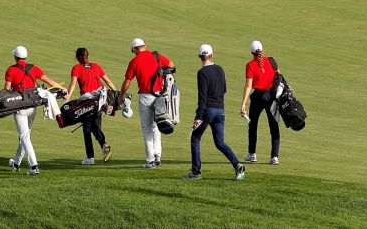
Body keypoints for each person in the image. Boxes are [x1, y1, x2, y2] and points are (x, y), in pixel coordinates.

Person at [184, 44, 245, 180]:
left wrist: (198, 116)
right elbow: (224, 89)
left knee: (195, 138)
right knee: (220, 143)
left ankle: (196, 172)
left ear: (200, 57)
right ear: (212, 55)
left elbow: (202, 96)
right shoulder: (220, 69)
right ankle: (237, 164)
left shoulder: (202, 73)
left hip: (207, 111)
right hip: (220, 110)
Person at [4, 45, 63, 176]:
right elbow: (50, 82)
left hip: (19, 107)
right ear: (25, 57)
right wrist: (62, 91)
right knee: (25, 136)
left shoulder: (11, 70)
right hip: (32, 106)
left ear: (15, 56)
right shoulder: (34, 68)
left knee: (24, 136)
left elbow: (7, 90)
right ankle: (16, 163)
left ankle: (34, 166)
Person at [119, 38, 174, 168]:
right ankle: (157, 156)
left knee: (147, 128)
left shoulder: (134, 61)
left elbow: (127, 82)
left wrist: (121, 95)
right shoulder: (156, 56)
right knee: (156, 125)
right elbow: (171, 64)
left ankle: (150, 160)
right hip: (160, 95)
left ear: (135, 49)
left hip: (145, 96)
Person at [65, 47, 116, 165]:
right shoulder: (96, 66)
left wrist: (67, 98)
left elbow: (72, 85)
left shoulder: (76, 68)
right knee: (95, 126)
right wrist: (117, 93)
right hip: (100, 102)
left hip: (86, 102)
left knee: (87, 129)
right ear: (88, 56)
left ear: (77, 58)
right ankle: (104, 145)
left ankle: (90, 157)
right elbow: (108, 81)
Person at [239, 40, 280, 165]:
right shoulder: (271, 61)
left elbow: (248, 85)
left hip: (257, 97)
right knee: (274, 126)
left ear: (251, 52)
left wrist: (243, 103)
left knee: (253, 125)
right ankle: (274, 157)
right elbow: (278, 76)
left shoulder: (250, 65)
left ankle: (252, 154)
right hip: (272, 97)